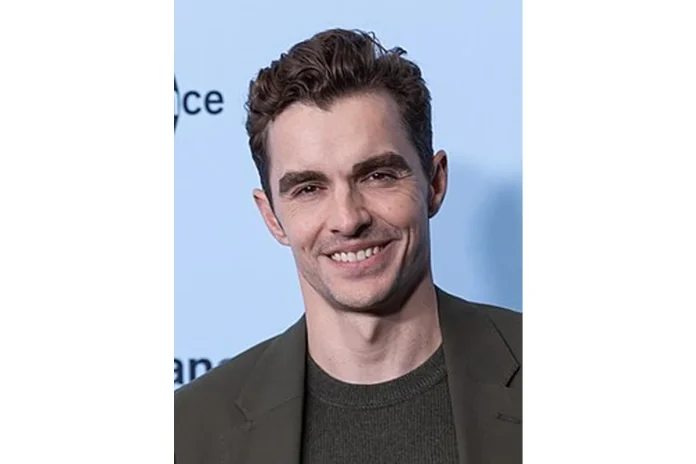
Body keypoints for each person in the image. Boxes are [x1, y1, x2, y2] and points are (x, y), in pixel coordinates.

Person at [174, 28, 521, 464]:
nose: (348, 219)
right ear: (271, 216)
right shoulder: (188, 432)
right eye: (308, 188)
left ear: (434, 183)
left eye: (378, 176)